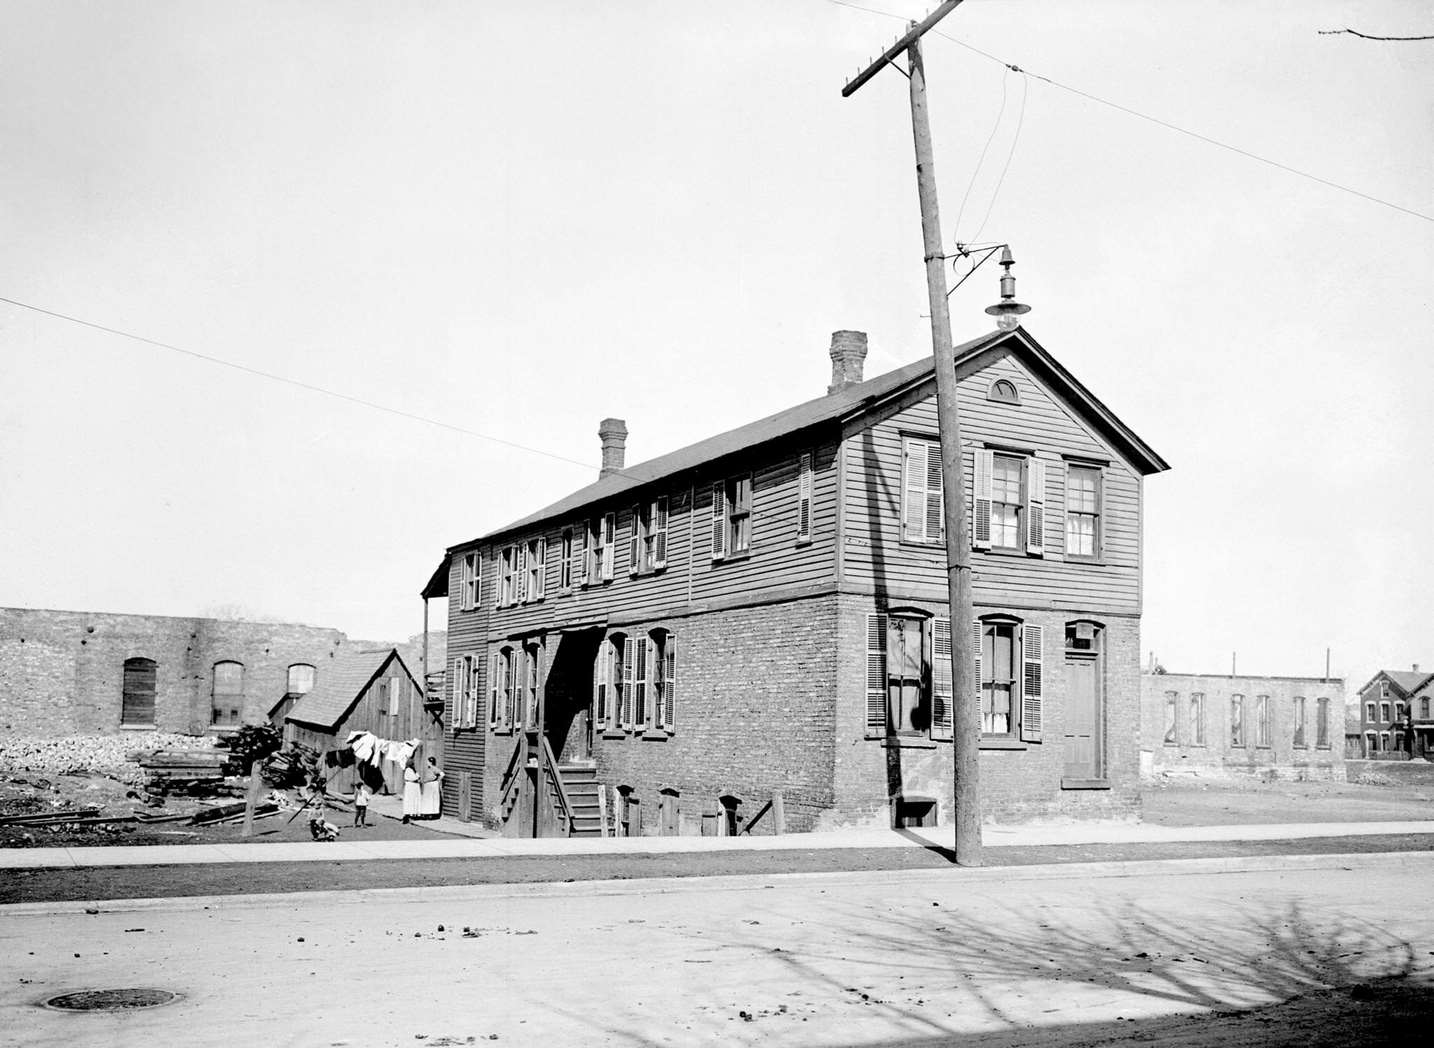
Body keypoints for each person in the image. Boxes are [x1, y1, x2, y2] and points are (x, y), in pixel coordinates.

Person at [420, 756, 444, 821]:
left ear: (430, 762)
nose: (427, 763)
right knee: (427, 799)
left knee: (431, 799)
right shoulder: (429, 768)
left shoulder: (434, 768)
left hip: (432, 785)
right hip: (428, 785)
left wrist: (438, 780)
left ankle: (431, 815)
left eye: (428, 761)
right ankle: (427, 814)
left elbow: (442, 774)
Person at [401, 759, 421, 824]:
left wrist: (416, 774)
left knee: (413, 800)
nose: (413, 765)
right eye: (412, 764)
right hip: (411, 787)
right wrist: (417, 776)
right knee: (410, 800)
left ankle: (413, 814)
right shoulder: (408, 770)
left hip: (413, 787)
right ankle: (408, 815)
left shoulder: (412, 770)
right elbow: (415, 778)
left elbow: (418, 776)